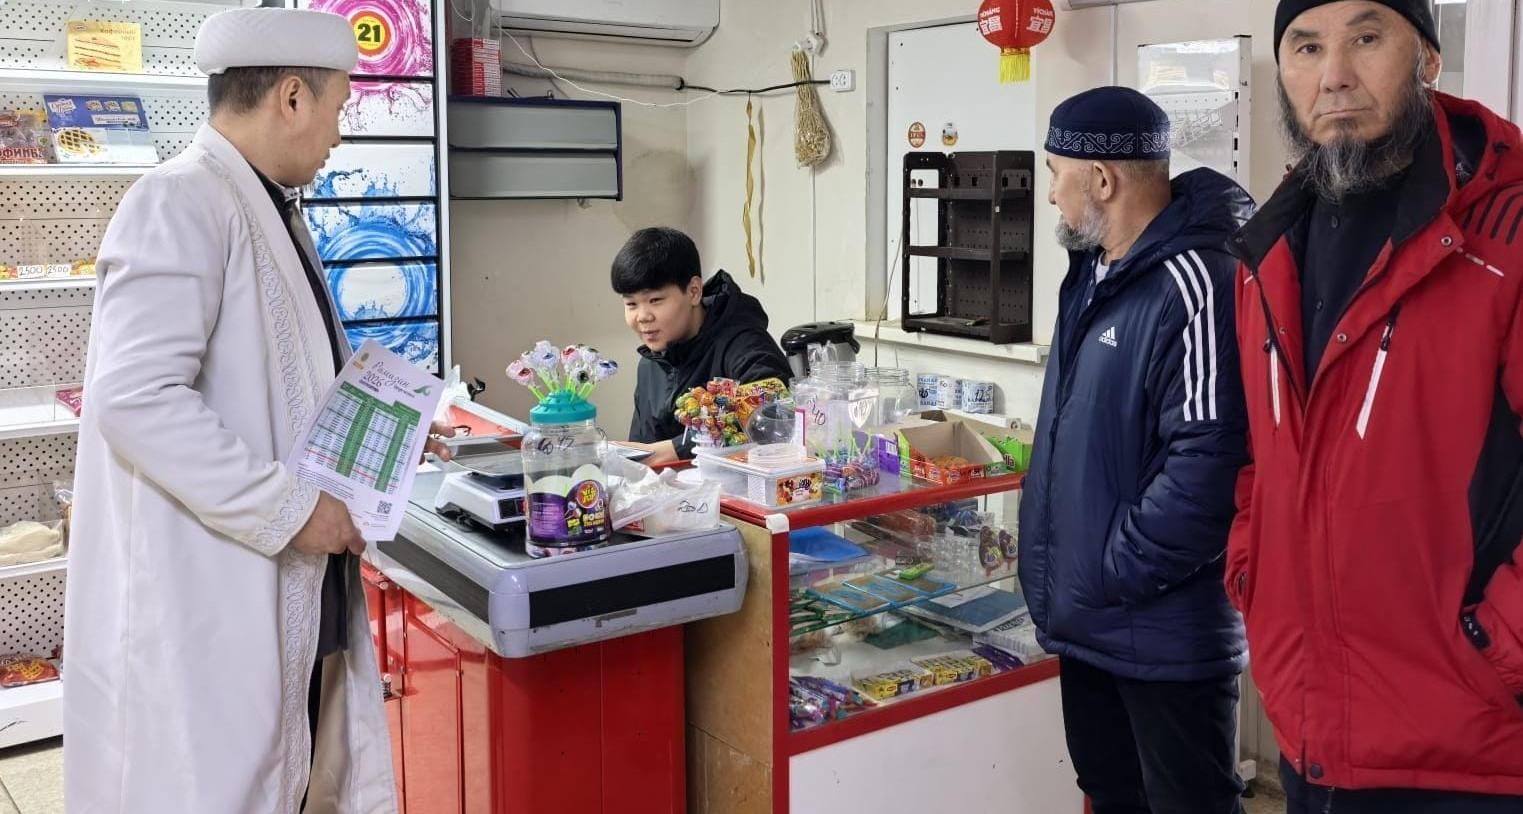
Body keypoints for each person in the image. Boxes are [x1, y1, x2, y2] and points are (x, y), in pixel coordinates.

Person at [63, 8, 449, 812]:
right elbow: (133, 399)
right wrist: (292, 509)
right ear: (292, 97)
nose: (339, 132)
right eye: (339, 107)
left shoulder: (269, 207)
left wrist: (393, 431)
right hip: (218, 591)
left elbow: (282, 382)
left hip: (286, 584)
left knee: (292, 771)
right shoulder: (178, 201)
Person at [1229, 0, 1523, 809]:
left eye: (1365, 39)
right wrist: (1251, 570)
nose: (1333, 77)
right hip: (1309, 727)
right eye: (1305, 48)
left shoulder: (1504, 235)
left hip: (1465, 745)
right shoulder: (1268, 245)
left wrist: (1498, 650)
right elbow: (1262, 452)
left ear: (1426, 58)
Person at [1017, 86, 1254, 814]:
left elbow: (1211, 462)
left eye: (1055, 172)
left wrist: (1113, 568)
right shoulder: (1092, 274)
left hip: (1160, 633)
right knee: (1111, 794)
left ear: (1100, 179)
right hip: (1088, 619)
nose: (1050, 193)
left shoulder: (1198, 280)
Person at [613, 226, 790, 464]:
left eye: (655, 300)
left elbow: (776, 414)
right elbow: (642, 452)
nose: (642, 317)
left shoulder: (744, 344)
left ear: (694, 291)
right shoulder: (650, 364)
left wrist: (673, 450)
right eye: (631, 304)